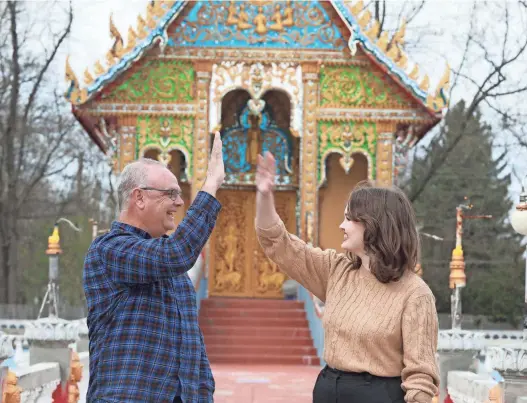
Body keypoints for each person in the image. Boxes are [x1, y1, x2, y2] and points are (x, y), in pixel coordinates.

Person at [255, 152, 440, 403]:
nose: (341, 226)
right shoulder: (336, 270)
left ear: (375, 224)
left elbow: (421, 378)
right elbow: (278, 242)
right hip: (329, 389)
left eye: (349, 219)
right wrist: (265, 196)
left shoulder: (415, 294)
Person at [83, 132, 225, 403]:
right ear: (139, 198)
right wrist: (211, 185)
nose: (179, 203)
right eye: (170, 194)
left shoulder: (174, 272)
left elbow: (193, 350)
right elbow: (177, 253)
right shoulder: (109, 250)